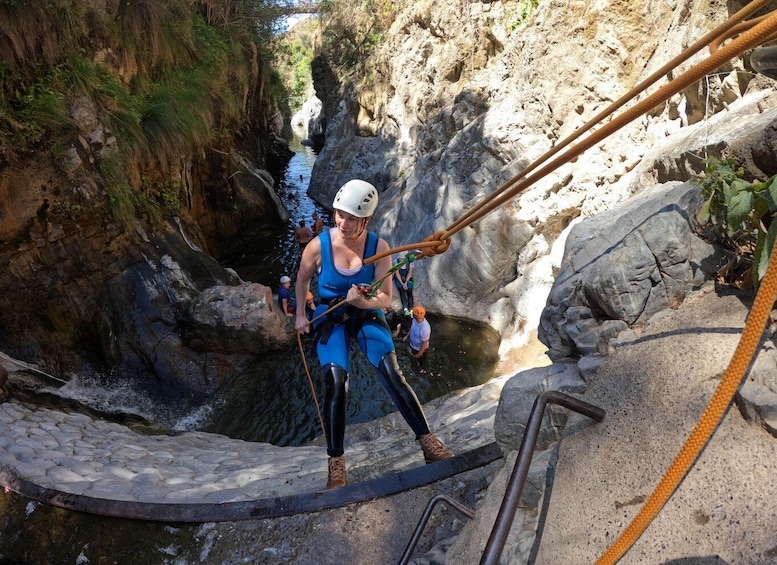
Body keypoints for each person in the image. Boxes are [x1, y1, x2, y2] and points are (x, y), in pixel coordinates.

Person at [295, 179, 453, 489]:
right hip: (331, 315)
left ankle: (427, 441)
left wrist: (362, 301)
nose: (342, 222)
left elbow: (385, 299)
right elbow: (302, 280)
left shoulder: (378, 248)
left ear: (366, 220)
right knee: (335, 381)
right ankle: (336, 463)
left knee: (392, 373)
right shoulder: (319, 246)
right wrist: (300, 313)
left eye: (351, 218)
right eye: (339, 214)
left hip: (366, 311)